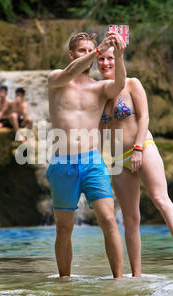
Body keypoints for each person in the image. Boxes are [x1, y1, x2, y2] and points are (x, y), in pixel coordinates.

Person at [97, 47, 173, 277]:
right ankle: (136, 275)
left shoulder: (132, 84)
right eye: (101, 59)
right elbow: (99, 131)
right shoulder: (99, 91)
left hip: (143, 148)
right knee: (130, 218)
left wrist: (138, 148)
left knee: (160, 198)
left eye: (111, 58)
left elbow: (145, 117)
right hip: (118, 159)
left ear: (118, 58)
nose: (105, 63)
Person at [47, 31, 127, 278]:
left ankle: (118, 281)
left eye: (90, 51)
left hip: (93, 161)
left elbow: (119, 85)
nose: (89, 55)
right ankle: (65, 282)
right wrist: (99, 48)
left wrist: (120, 56)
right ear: (72, 54)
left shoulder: (99, 88)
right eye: (82, 50)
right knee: (64, 228)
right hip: (62, 163)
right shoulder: (57, 79)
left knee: (108, 220)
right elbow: (71, 72)